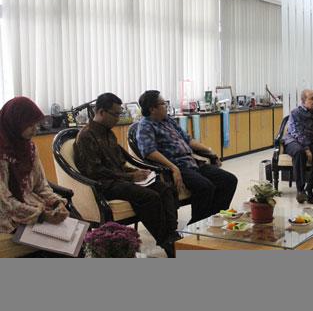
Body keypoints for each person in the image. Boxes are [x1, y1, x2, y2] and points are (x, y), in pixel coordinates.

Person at [73, 93, 179, 257]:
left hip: (120, 179)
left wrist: (135, 172)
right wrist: (130, 177)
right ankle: (166, 241)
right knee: (150, 197)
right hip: (104, 184)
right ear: (101, 112)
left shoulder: (108, 133)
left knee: (165, 189)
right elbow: (95, 171)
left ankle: (172, 234)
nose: (118, 119)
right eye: (115, 114)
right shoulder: (87, 136)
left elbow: (120, 163)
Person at [136, 90, 238, 224]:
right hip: (177, 166)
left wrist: (209, 151)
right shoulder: (145, 126)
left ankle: (214, 219)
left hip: (192, 162)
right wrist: (173, 168)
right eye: (163, 104)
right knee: (205, 187)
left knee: (229, 180)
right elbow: (149, 151)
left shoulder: (168, 121)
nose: (166, 106)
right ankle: (196, 225)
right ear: (152, 109)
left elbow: (188, 140)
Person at [0, 97, 70, 250]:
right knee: (58, 248)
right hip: (8, 216)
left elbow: (40, 185)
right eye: (30, 125)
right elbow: (3, 202)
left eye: (36, 124)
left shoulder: (29, 148)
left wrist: (57, 203)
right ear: (15, 123)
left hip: (33, 207)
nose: (35, 129)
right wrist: (41, 216)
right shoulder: (2, 152)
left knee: (78, 234)